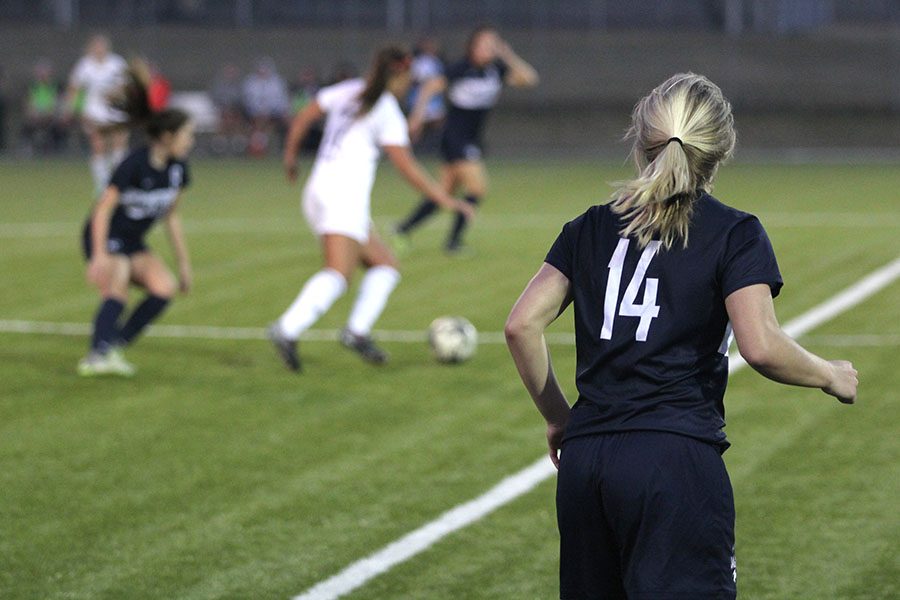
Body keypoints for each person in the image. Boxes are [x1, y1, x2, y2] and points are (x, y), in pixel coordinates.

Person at [504, 73, 858, 599]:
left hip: (586, 466)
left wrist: (560, 418)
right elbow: (759, 345)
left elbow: (521, 325)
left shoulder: (589, 227)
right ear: (720, 148)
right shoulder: (734, 232)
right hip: (673, 461)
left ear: (642, 140)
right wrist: (831, 375)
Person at [268, 45, 475, 372]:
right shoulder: (386, 109)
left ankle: (356, 332)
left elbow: (305, 115)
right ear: (401, 75)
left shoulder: (348, 90)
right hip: (343, 197)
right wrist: (447, 199)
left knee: (385, 266)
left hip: (320, 190)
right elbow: (406, 167)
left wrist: (290, 157)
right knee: (338, 273)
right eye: (410, 79)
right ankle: (287, 328)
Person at [78, 65, 195, 377]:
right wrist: (100, 255)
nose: (190, 141)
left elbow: (171, 215)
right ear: (168, 137)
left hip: (131, 241)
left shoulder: (178, 170)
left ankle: (114, 344)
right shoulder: (134, 164)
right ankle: (96, 355)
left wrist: (183, 263)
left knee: (164, 288)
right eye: (187, 135)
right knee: (117, 283)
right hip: (104, 235)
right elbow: (101, 210)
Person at [393, 26, 538, 254]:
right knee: (477, 187)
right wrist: (417, 117)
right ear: (472, 46)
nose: (489, 49)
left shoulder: (496, 70)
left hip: (471, 138)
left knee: (444, 193)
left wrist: (507, 55)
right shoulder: (461, 68)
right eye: (484, 44)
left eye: (493, 44)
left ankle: (403, 228)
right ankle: (453, 242)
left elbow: (529, 79)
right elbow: (431, 86)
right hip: (455, 138)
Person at [64, 34, 130, 197]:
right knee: (98, 145)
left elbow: (126, 86)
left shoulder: (117, 63)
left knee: (119, 144)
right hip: (94, 111)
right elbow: (74, 88)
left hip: (115, 110)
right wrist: (72, 108)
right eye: (96, 46)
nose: (99, 49)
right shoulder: (85, 65)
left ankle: (120, 181)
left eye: (102, 46)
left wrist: (117, 94)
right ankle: (102, 184)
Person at [242, 57, 290, 156]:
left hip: (275, 112)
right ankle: (257, 147)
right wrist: (260, 110)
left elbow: (281, 100)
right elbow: (248, 100)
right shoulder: (250, 82)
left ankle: (284, 148)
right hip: (253, 113)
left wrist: (270, 110)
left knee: (288, 120)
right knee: (259, 120)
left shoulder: (277, 82)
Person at [21, 60, 65, 154]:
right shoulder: (32, 86)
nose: (43, 75)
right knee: (27, 125)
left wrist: (52, 112)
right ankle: (27, 148)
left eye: (45, 72)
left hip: (51, 115)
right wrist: (33, 112)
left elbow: (59, 102)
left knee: (58, 126)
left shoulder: (56, 86)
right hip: (37, 115)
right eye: (40, 72)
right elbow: (29, 102)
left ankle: (57, 149)